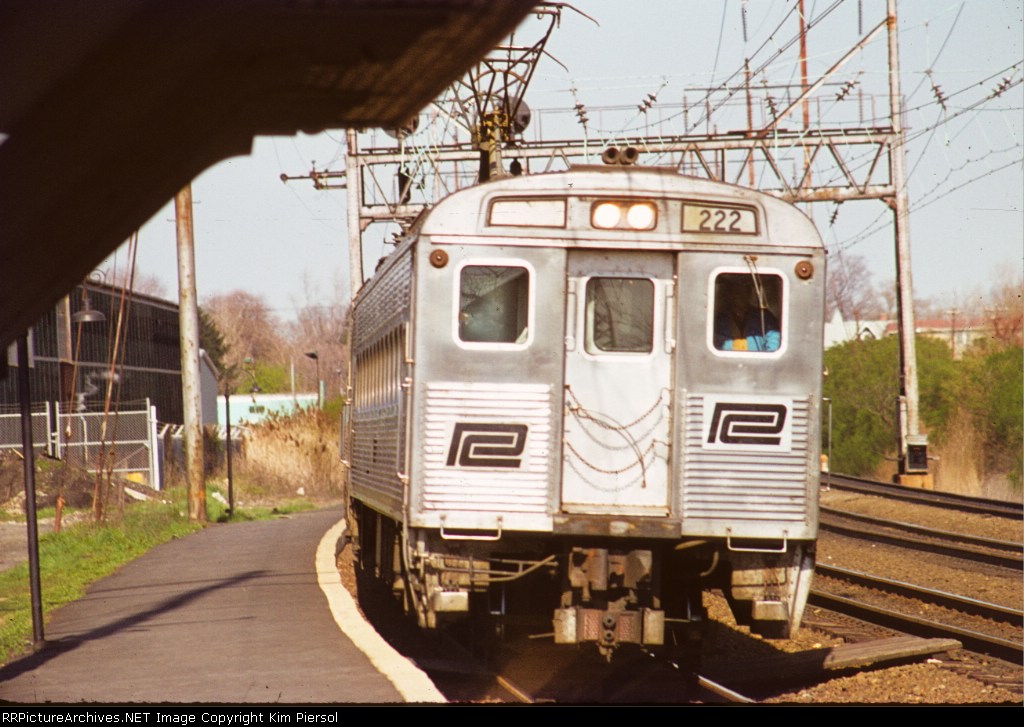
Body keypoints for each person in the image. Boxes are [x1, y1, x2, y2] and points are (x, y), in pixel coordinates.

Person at [713, 280, 780, 352]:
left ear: (750, 293)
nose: (742, 296)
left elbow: (774, 340)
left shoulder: (764, 316)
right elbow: (718, 343)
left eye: (745, 292)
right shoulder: (720, 320)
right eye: (737, 292)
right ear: (730, 295)